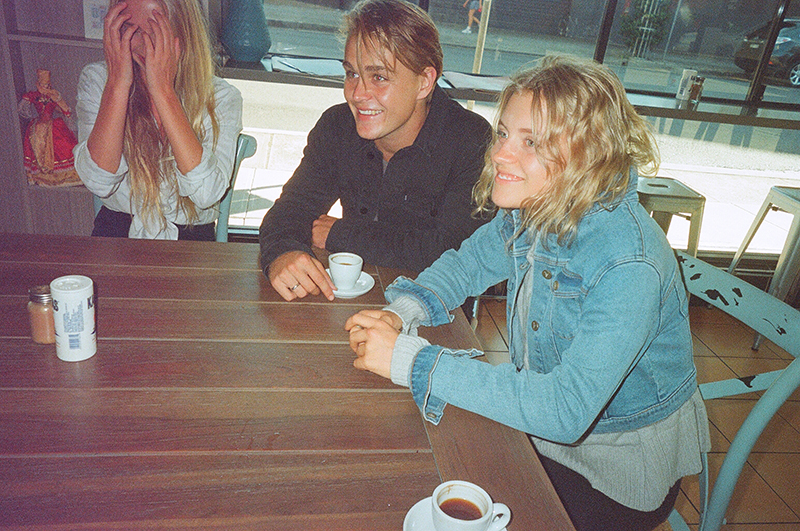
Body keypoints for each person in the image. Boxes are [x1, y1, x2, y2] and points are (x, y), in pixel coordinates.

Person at [345, 56, 710, 531]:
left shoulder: (628, 264)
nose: (500, 154)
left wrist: (413, 361)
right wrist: (404, 311)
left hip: (616, 471)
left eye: (531, 142)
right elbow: (469, 264)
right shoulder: (539, 206)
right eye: (503, 133)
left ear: (590, 155)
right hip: (545, 430)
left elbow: (564, 410)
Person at [259, 0, 492, 302]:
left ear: (424, 83)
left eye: (378, 77)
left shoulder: (471, 140)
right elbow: (291, 211)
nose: (357, 94)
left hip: (440, 311)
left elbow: (456, 252)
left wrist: (340, 234)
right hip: (354, 305)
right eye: (352, 73)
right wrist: (282, 253)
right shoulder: (338, 125)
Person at [74, 0, 243, 240]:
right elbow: (98, 181)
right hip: (117, 229)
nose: (144, 44)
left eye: (155, 31)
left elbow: (207, 194)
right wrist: (118, 84)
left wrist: (163, 91)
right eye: (130, 30)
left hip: (191, 236)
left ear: (184, 31)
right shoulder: (98, 80)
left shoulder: (222, 97)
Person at [19, 69, 81, 187]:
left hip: (52, 124)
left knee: (62, 145)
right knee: (37, 144)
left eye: (47, 85)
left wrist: (66, 112)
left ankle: (64, 176)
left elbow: (64, 108)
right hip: (39, 125)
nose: (45, 87)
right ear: (38, 84)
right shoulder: (34, 95)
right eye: (43, 85)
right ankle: (41, 175)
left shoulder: (53, 95)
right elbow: (24, 106)